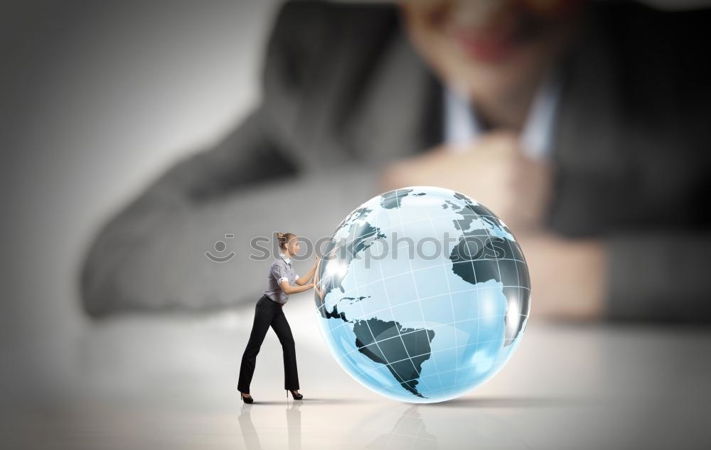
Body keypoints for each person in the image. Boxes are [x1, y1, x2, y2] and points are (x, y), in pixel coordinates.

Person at [79, 0, 711, 323]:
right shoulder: (332, 69)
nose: (482, 12)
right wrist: (396, 195)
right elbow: (122, 258)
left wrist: (577, 277)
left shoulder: (683, 69)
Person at [237, 232, 318, 404]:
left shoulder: (289, 266)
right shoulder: (278, 265)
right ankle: (244, 390)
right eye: (296, 244)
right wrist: (313, 286)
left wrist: (315, 266)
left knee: (289, 343)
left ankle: (292, 387)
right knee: (254, 346)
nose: (299, 247)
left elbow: (301, 281)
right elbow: (287, 289)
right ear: (287, 246)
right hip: (266, 307)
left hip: (276, 310)